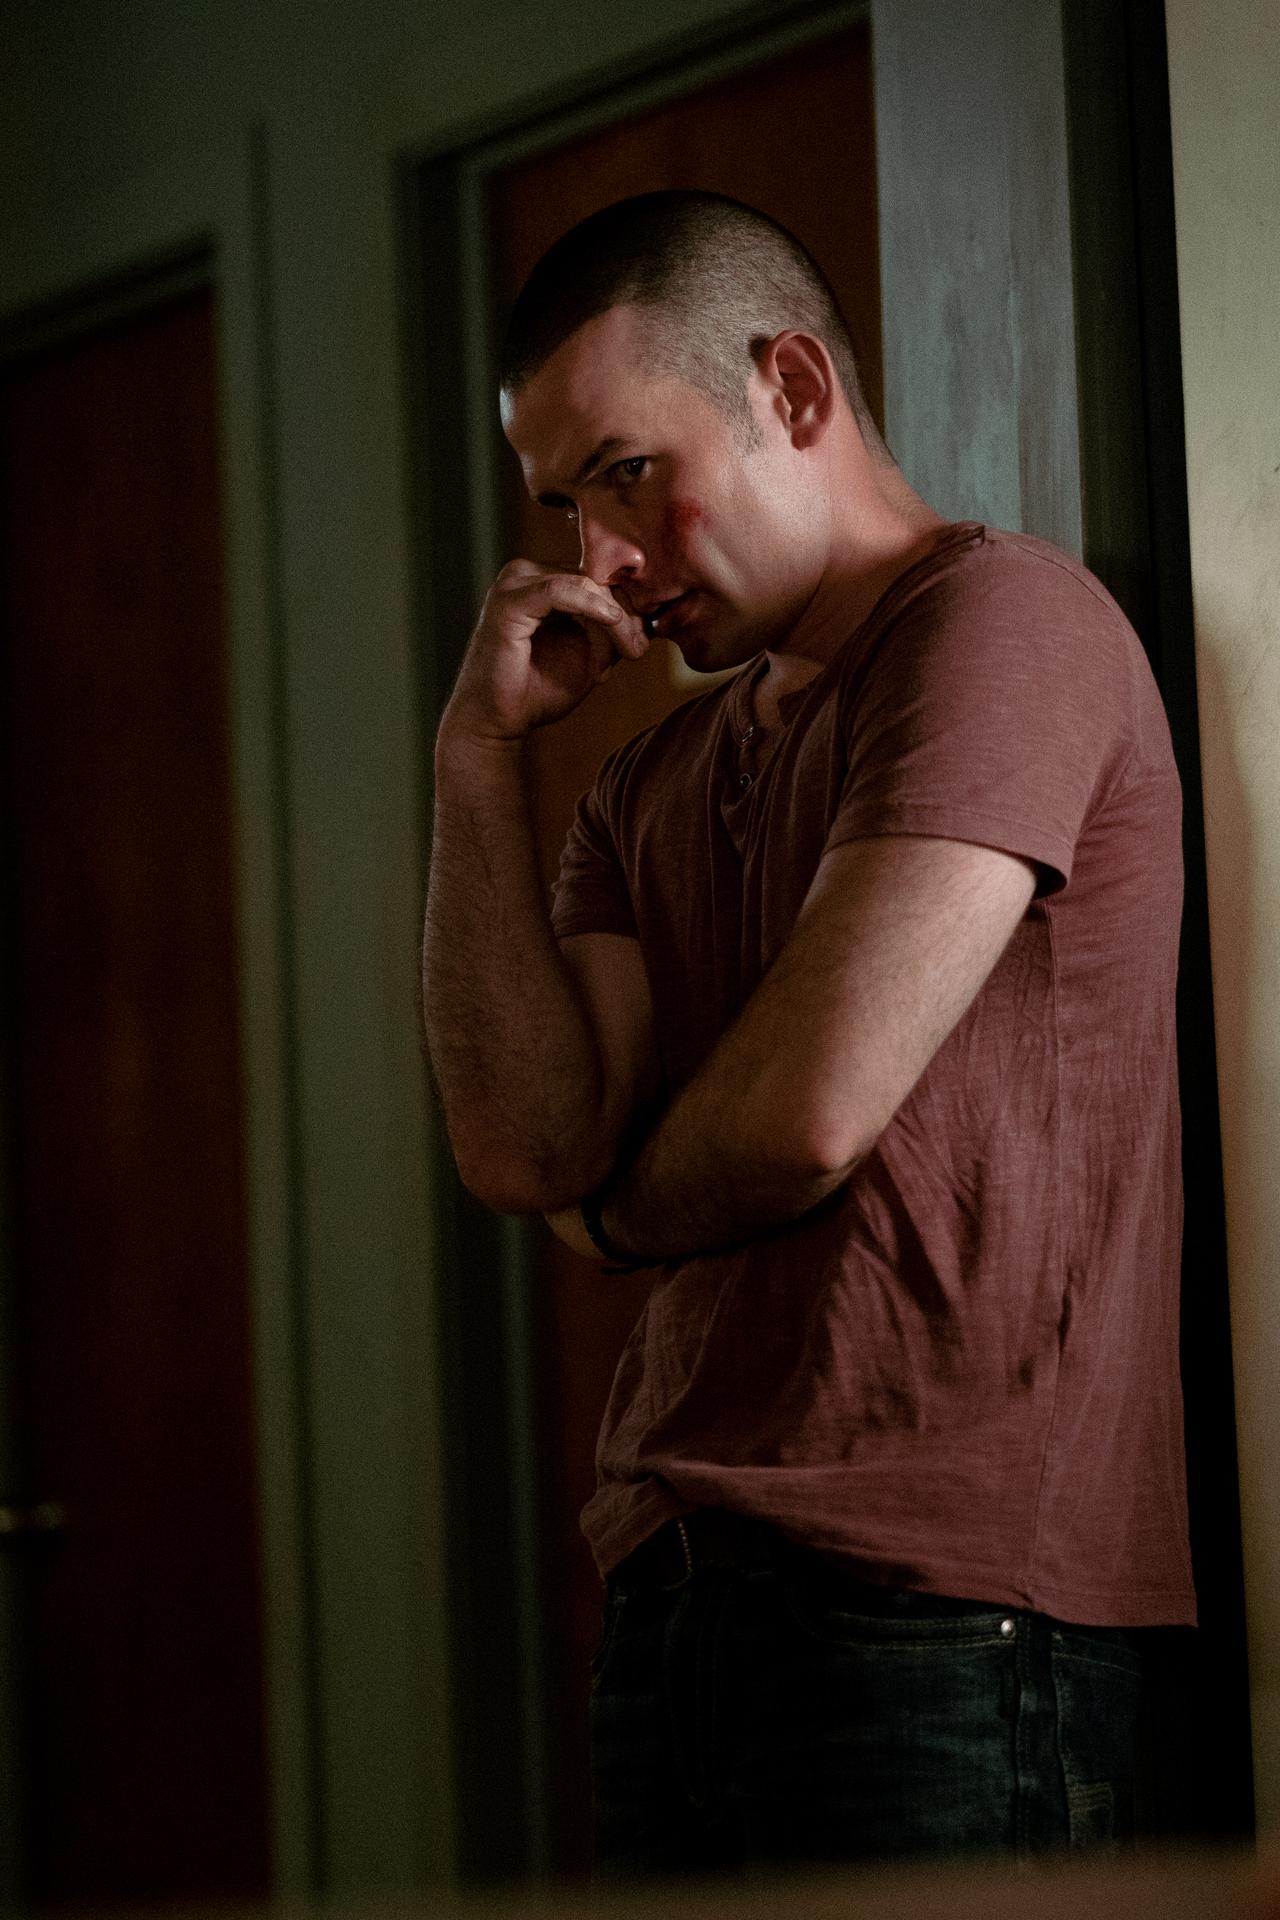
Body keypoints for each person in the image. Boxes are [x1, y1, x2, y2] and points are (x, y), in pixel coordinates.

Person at [421, 190, 1195, 1879]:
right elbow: (526, 1148)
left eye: (627, 473)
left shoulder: (1002, 625)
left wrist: (622, 1218)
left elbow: (803, 1115)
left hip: (951, 1612)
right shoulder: (642, 783)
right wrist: (475, 763)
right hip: (673, 1596)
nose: (600, 563)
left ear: (791, 388)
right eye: (565, 506)